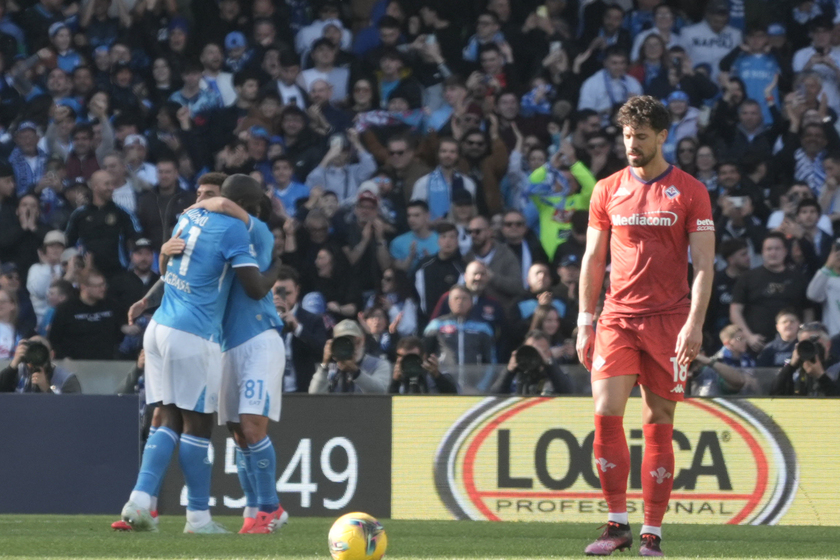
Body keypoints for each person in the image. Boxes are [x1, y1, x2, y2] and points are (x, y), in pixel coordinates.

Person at [576, 96, 715, 556]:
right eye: (626, 136)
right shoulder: (606, 189)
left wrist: (694, 324)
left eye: (640, 136)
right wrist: (584, 319)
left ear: (662, 136)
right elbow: (594, 258)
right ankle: (616, 524)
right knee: (605, 411)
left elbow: (703, 266)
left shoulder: (691, 190)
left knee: (658, 421)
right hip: (617, 317)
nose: (631, 144)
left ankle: (652, 532)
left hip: (670, 321)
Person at [119, 175, 279, 534]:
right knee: (198, 425)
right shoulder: (235, 229)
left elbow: (171, 267)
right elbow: (253, 287)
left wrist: (153, 278)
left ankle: (140, 500)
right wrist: (274, 270)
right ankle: (198, 519)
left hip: (158, 328)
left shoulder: (188, 217)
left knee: (165, 417)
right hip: (194, 332)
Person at [174, 181, 289, 534]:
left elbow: (222, 204)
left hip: (258, 340)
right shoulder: (220, 235)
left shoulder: (258, 233)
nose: (206, 201)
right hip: (225, 346)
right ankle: (253, 513)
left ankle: (272, 510)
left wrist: (195, 208)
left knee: (252, 429)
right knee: (238, 434)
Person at [730, 232, 812, 353]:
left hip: (792, 346)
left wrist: (803, 337)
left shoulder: (798, 278)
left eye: (777, 249)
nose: (773, 253)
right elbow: (735, 311)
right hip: (756, 345)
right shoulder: (747, 277)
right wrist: (748, 336)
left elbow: (808, 311)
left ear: (785, 251)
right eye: (769, 249)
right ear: (762, 252)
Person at [273, 267, 328, 393]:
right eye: (277, 292)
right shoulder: (263, 320)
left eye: (287, 293)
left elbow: (322, 353)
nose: (283, 298)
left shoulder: (312, 320)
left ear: (297, 290)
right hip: (272, 392)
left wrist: (298, 328)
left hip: (302, 392)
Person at [49, 268, 120, 360]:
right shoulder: (66, 309)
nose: (103, 289)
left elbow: (118, 334)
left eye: (104, 284)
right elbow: (54, 339)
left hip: (106, 364)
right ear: (83, 287)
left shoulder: (111, 306)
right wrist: (63, 357)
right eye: (98, 286)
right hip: (75, 364)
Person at [309, 319, 391, 393]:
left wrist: (356, 372)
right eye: (342, 340)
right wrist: (325, 365)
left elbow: (380, 392)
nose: (347, 345)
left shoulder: (378, 364)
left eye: (351, 340)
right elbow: (314, 395)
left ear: (361, 340)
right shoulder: (329, 367)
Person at [770, 321, 840, 396]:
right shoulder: (794, 371)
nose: (811, 348)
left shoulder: (837, 368)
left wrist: (821, 376)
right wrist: (791, 367)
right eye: (806, 344)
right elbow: (774, 395)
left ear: (828, 345)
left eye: (816, 344)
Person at [496, 330, 574, 395]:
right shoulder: (516, 374)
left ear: (549, 353)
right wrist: (509, 371)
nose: (535, 354)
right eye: (530, 350)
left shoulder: (557, 374)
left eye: (540, 351)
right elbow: (494, 397)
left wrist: (550, 365)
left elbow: (568, 393)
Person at [0, 337, 81, 393]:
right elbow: (2, 390)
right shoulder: (17, 373)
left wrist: (47, 387)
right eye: (32, 352)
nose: (37, 356)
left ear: (51, 355)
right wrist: (14, 364)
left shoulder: (65, 378)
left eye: (41, 352)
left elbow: (71, 406)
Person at [388, 336, 457, 394]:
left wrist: (437, 375)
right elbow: (386, 404)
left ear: (423, 357)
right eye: (405, 358)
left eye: (412, 357)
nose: (409, 362)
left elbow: (454, 397)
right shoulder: (391, 377)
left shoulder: (435, 377)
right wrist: (395, 381)